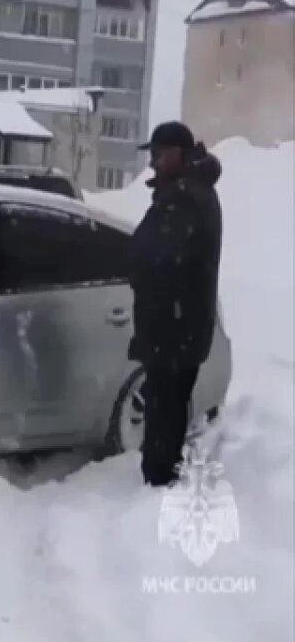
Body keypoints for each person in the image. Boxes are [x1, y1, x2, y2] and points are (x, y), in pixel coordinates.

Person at [128, 121, 223, 488]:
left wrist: (136, 265)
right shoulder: (192, 191)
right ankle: (164, 473)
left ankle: (158, 482)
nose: (152, 162)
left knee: (163, 408)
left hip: (173, 328)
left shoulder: (184, 197)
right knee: (168, 404)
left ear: (180, 155)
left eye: (159, 154)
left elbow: (156, 255)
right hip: (183, 326)